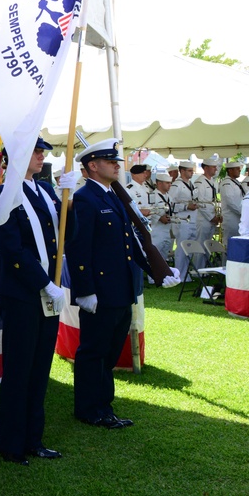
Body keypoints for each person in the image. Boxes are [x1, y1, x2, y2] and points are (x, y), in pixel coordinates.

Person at [66, 139, 178, 429]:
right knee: (94, 351)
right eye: (111, 161)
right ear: (93, 165)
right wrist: (85, 290)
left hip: (121, 287)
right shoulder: (85, 198)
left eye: (117, 161)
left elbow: (130, 243)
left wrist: (157, 271)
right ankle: (89, 408)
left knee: (110, 351)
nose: (118, 165)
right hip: (101, 291)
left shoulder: (113, 196)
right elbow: (79, 249)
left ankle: (104, 405)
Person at [0, 137, 79, 466]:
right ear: (19, 156)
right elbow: (12, 248)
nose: (42, 157)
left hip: (47, 293)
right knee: (19, 369)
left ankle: (33, 438)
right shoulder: (4, 194)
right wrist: (43, 283)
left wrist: (68, 202)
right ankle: (11, 443)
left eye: (43, 152)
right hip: (23, 294)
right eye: (37, 152)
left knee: (40, 368)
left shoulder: (45, 192)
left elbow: (67, 234)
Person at [170, 159, 199, 272]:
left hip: (192, 219)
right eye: (189, 170)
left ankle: (186, 272)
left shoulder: (191, 184)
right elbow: (170, 204)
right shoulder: (177, 185)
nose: (192, 172)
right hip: (182, 220)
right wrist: (185, 207)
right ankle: (179, 273)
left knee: (190, 247)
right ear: (182, 171)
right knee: (182, 248)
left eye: (192, 170)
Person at [194, 155, 223, 262]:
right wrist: (211, 217)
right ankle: (197, 269)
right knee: (201, 243)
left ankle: (204, 268)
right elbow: (199, 202)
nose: (216, 169)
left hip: (212, 216)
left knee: (208, 243)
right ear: (206, 168)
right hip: (203, 218)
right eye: (213, 167)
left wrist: (217, 216)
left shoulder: (213, 182)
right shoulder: (199, 182)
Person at [150, 173, 175, 264]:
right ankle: (152, 278)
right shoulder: (153, 196)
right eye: (167, 183)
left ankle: (162, 277)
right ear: (159, 184)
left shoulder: (169, 197)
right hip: (156, 231)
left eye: (170, 183)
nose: (170, 185)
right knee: (154, 257)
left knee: (163, 258)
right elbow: (149, 210)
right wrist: (159, 218)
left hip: (166, 230)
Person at [219, 161, 246, 246]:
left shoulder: (236, 182)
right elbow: (230, 202)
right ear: (230, 170)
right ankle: (225, 260)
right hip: (230, 219)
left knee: (237, 244)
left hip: (238, 218)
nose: (239, 171)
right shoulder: (227, 183)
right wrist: (242, 212)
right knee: (229, 244)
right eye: (237, 169)